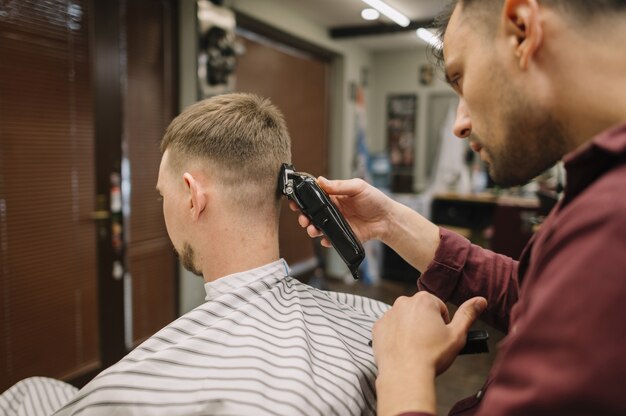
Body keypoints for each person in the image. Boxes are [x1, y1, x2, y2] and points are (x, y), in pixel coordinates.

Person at [293, 0, 626, 415]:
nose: (459, 123)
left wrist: (405, 366)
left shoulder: (612, 227)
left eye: (460, 79)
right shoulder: (597, 201)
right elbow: (531, 293)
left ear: (522, 29)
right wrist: (389, 221)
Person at [1, 93, 389, 416]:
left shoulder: (129, 390)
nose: (162, 206)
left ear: (192, 195)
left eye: (162, 195)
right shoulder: (377, 321)